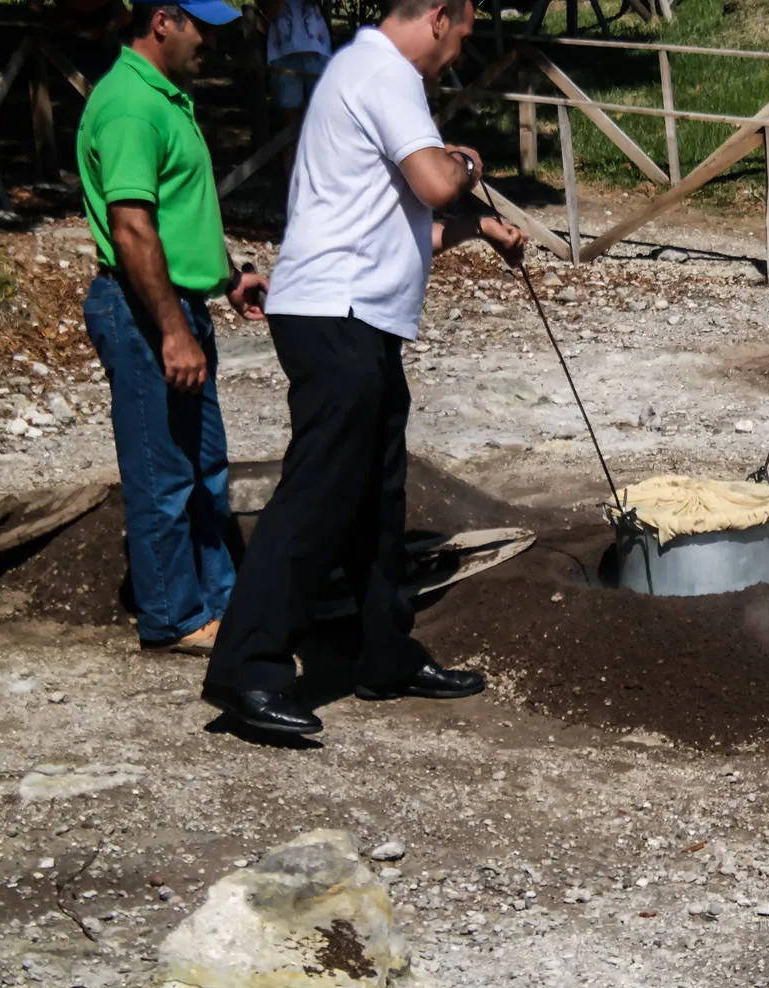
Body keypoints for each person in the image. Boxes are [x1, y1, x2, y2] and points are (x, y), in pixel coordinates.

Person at [203, 0, 526, 736]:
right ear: (439, 15)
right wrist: (470, 160)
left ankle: (385, 654)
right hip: (334, 316)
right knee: (317, 493)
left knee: (377, 497)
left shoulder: (359, 71)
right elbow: (440, 181)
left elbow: (410, 223)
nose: (462, 49)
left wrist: (480, 231)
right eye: (467, 30)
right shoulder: (385, 73)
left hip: (358, 318)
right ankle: (245, 671)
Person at [77, 0, 270, 655]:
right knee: (163, 475)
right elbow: (132, 227)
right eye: (202, 28)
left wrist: (225, 278)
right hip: (142, 313)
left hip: (176, 307)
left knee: (205, 464)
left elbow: (177, 215)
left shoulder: (165, 97)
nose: (210, 43)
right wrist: (171, 330)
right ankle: (173, 618)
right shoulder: (130, 104)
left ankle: (218, 604)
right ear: (163, 19)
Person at [261, 0, 333, 177]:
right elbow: (269, 12)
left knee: (323, 124)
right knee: (292, 131)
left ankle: (322, 183)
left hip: (317, 51)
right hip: (284, 55)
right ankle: (294, 192)